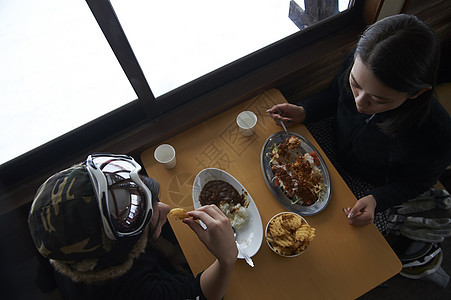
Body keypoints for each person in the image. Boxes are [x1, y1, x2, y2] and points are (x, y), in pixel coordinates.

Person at [267, 14, 451, 232]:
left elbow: (416, 183)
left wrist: (377, 199)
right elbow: (335, 94)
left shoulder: (437, 134)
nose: (359, 103)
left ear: (416, 93)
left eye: (378, 99)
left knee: (333, 234)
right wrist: (305, 111)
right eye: (355, 84)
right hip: (332, 138)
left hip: (369, 182)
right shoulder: (359, 59)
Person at [28, 153, 237, 299]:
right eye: (149, 220)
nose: (165, 208)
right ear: (127, 249)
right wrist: (226, 260)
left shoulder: (52, 228)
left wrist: (169, 250)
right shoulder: (133, 293)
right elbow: (202, 292)